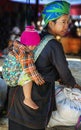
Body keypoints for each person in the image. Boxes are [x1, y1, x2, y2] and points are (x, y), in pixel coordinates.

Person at [7, 1, 81, 130]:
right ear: (51, 23)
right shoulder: (54, 45)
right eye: (63, 21)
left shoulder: (36, 37)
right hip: (34, 103)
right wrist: (74, 85)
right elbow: (65, 73)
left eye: (67, 22)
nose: (66, 26)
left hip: (16, 101)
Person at [2, 26, 45, 110]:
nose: (33, 47)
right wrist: (38, 79)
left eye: (35, 45)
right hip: (12, 78)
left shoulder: (16, 47)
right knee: (28, 78)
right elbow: (30, 69)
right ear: (26, 43)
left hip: (6, 73)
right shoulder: (25, 53)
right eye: (31, 45)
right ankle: (27, 99)